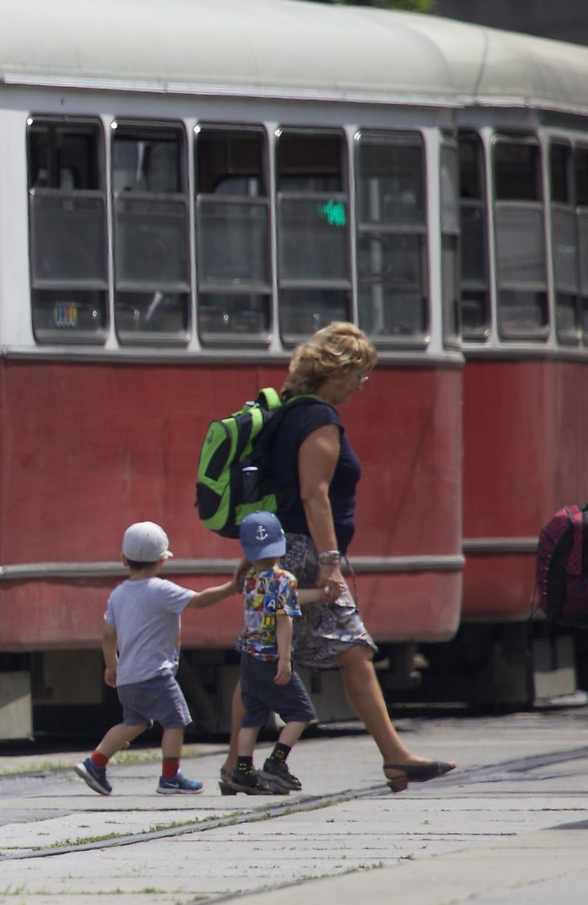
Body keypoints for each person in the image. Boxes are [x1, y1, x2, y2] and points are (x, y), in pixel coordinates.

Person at [264, 321, 455, 794]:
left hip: (290, 548)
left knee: (278, 652)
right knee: (346, 651)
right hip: (309, 553)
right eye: (360, 374)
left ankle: (393, 758)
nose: (362, 384)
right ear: (338, 370)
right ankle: (395, 756)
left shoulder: (291, 411)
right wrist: (330, 560)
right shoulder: (318, 419)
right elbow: (315, 495)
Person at [73, 520, 238, 796]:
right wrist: (232, 587)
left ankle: (95, 763)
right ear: (163, 560)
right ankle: (170, 777)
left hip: (128, 676)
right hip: (156, 675)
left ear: (123, 559)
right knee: (176, 720)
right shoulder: (162, 590)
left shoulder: (117, 594)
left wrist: (112, 666)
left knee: (134, 722)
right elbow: (199, 600)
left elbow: (107, 636)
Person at [221, 513, 321, 797]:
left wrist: (318, 594)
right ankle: (276, 763)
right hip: (270, 658)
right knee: (301, 713)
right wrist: (285, 659)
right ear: (281, 543)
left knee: (253, 715)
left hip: (249, 658)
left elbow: (285, 597)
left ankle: (242, 771)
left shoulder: (250, 579)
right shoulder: (285, 579)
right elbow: (284, 619)